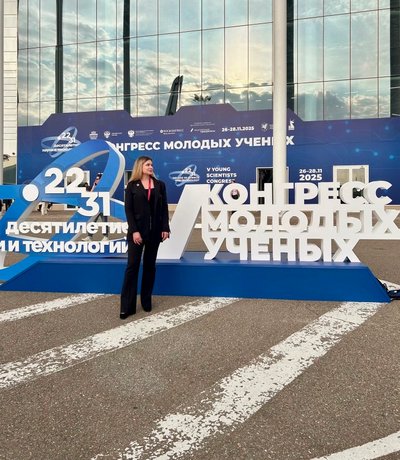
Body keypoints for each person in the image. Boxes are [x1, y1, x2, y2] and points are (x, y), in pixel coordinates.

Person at [120, 156, 170, 319]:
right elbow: (128, 210)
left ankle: (146, 301)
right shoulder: (131, 186)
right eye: (147, 164)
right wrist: (134, 231)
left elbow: (163, 208)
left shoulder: (160, 185)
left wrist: (165, 227)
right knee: (132, 267)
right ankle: (127, 307)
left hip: (154, 232)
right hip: (137, 233)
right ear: (140, 166)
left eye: (152, 164)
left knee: (150, 266)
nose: (151, 167)